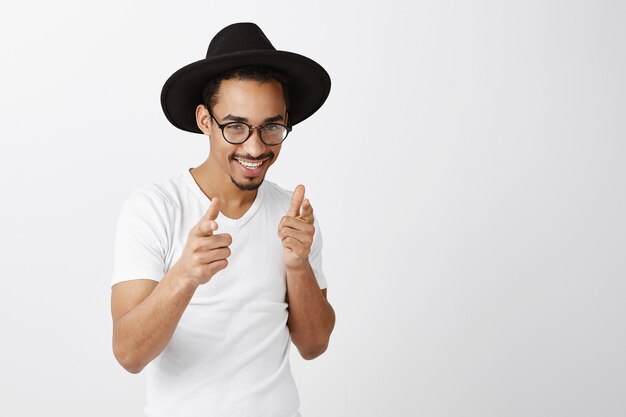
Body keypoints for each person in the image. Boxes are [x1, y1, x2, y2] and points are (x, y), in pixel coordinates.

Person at [110, 22, 336, 417]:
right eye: (235, 126)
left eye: (271, 127)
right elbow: (129, 354)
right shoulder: (155, 208)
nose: (255, 146)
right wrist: (184, 275)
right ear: (204, 120)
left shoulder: (293, 215)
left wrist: (298, 266)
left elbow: (314, 346)